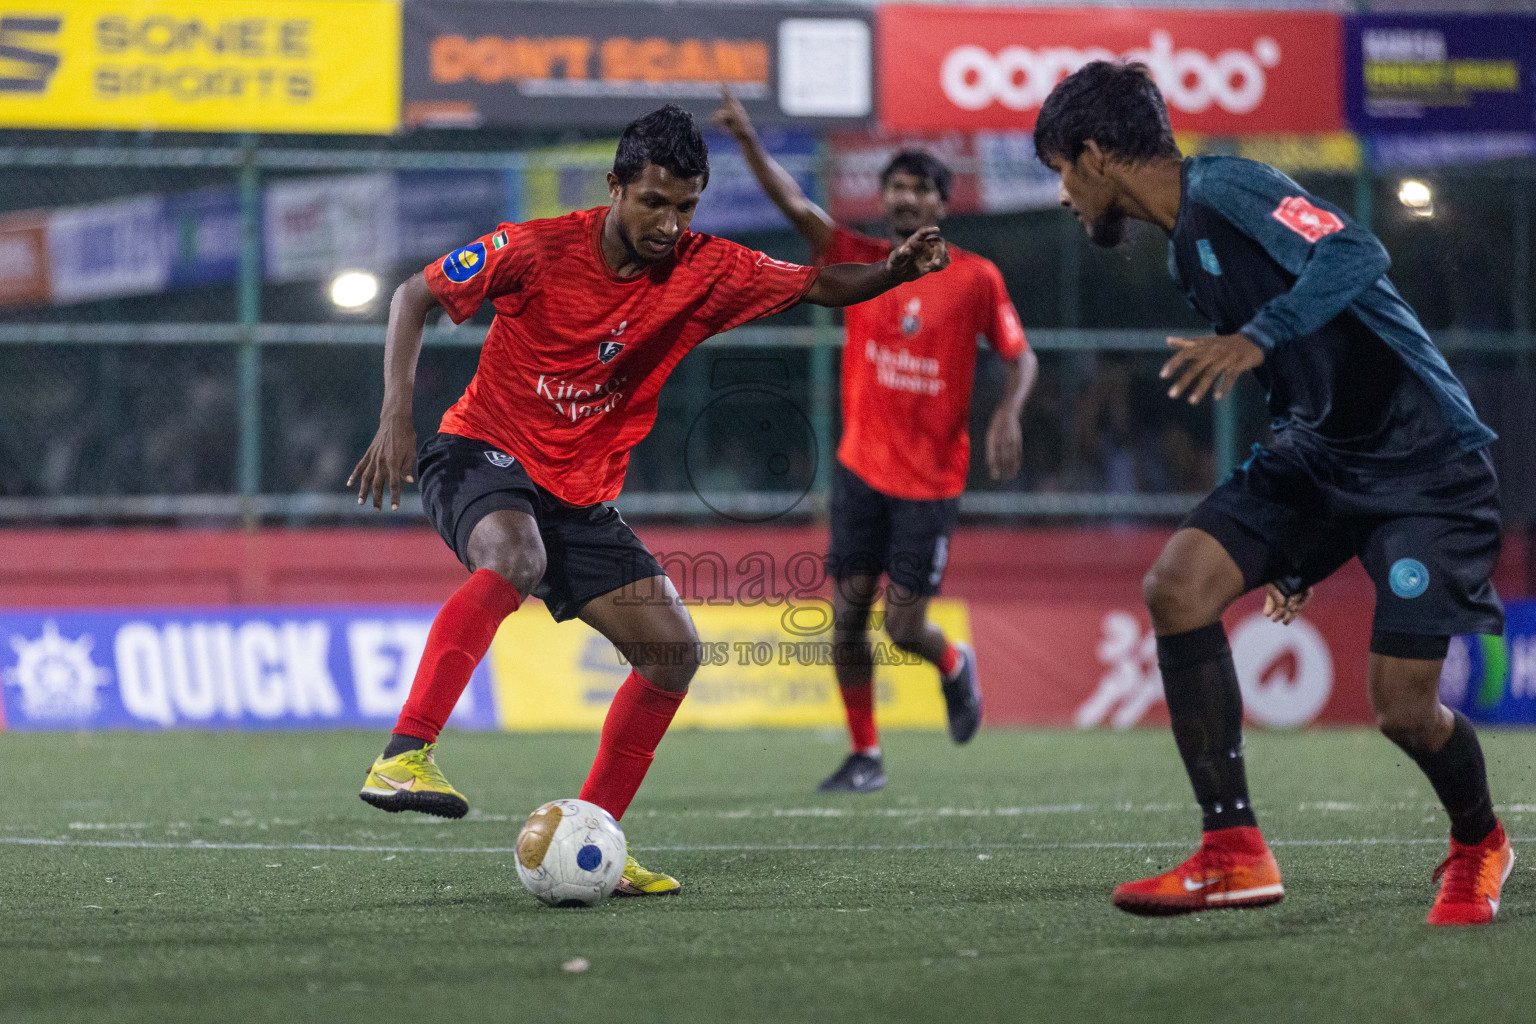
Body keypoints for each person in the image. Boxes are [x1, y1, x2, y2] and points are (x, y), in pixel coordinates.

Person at [348, 105, 950, 896]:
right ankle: (405, 753)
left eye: (686, 206)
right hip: (479, 455)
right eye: (654, 201)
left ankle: (594, 832)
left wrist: (893, 272)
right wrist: (396, 415)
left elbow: (816, 284)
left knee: (674, 655)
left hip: (580, 497)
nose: (670, 223)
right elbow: (411, 297)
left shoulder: (709, 269)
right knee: (514, 556)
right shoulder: (533, 247)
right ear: (615, 186)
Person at [1034, 62, 1511, 926]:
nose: (1064, 197)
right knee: (1177, 587)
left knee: (1404, 711)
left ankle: (1478, 841)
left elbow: (1356, 252)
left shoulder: (1227, 185)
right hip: (1320, 459)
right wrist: (1302, 551)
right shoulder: (1188, 247)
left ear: (1095, 155)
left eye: (1061, 172)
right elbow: (1302, 381)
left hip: (1423, 466)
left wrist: (1256, 335)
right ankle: (1233, 852)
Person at [714, 89, 1038, 793]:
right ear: (884, 198)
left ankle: (952, 662)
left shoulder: (977, 279)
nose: (907, 198)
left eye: (921, 189)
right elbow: (797, 208)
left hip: (930, 483)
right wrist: (746, 142)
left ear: (941, 206)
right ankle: (866, 756)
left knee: (903, 626)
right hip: (861, 470)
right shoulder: (857, 258)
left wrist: (1007, 411)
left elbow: (1023, 355)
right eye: (897, 187)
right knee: (847, 619)